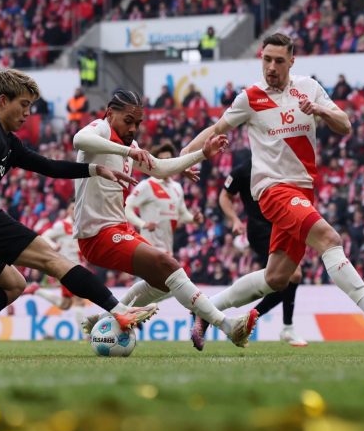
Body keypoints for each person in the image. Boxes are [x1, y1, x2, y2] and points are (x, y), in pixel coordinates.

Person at [181, 33, 364, 347]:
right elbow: (216, 129)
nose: (271, 67)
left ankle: (206, 310)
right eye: (266, 59)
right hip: (273, 191)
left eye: (278, 60)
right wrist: (184, 158)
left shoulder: (309, 88)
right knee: (329, 239)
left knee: (277, 278)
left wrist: (319, 110)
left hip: (302, 191)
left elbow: (345, 124)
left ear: (291, 61)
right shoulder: (251, 97)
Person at [0, 70, 157, 357]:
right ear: (2, 100)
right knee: (54, 259)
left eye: (30, 107)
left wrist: (95, 169)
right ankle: (120, 311)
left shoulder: (4, 140)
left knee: (14, 284)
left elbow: (48, 166)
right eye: (23, 105)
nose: (27, 113)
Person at [71, 90, 258, 349]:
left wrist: (201, 154)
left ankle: (107, 318)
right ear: (110, 113)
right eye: (128, 121)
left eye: (138, 123)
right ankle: (227, 325)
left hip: (118, 228)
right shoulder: (100, 130)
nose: (133, 128)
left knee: (166, 283)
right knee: (167, 265)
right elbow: (79, 140)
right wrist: (127, 151)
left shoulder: (130, 147)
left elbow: (160, 168)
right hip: (96, 234)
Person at [220, 155, 308, 347]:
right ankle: (285, 327)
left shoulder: (280, 164)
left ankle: (249, 319)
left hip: (282, 226)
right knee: (292, 275)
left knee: (281, 281)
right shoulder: (243, 170)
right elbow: (224, 195)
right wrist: (234, 219)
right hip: (260, 229)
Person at [124, 143, 202, 254]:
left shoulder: (177, 187)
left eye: (168, 159)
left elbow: (182, 214)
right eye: (161, 160)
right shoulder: (147, 185)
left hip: (168, 250)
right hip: (149, 249)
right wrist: (142, 224)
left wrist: (193, 219)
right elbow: (127, 207)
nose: (165, 163)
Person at [24, 204, 85, 312]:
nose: (75, 211)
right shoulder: (62, 225)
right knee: (79, 299)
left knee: (65, 304)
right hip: (68, 268)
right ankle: (84, 329)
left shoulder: (80, 225)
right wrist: (54, 246)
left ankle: (37, 290)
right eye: (72, 208)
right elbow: (44, 236)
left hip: (76, 266)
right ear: (67, 210)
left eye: (78, 208)